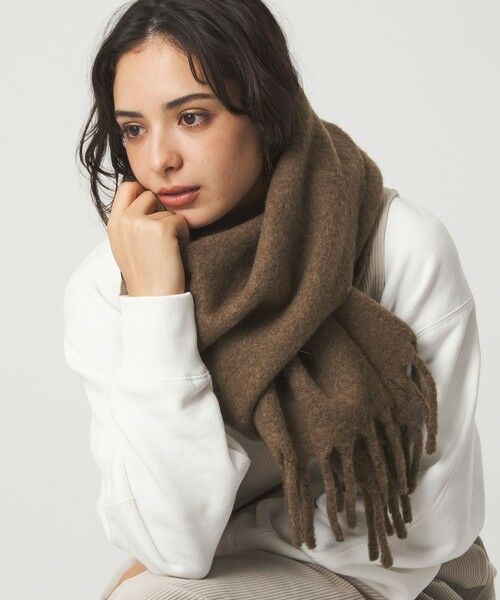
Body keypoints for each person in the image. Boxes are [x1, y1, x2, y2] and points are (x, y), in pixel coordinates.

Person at [64, 1, 497, 599]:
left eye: (192, 117)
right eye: (134, 128)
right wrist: (157, 308)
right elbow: (172, 546)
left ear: (267, 108)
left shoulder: (397, 247)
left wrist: (227, 549)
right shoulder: (114, 286)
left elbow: (428, 516)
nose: (160, 159)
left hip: (402, 572)